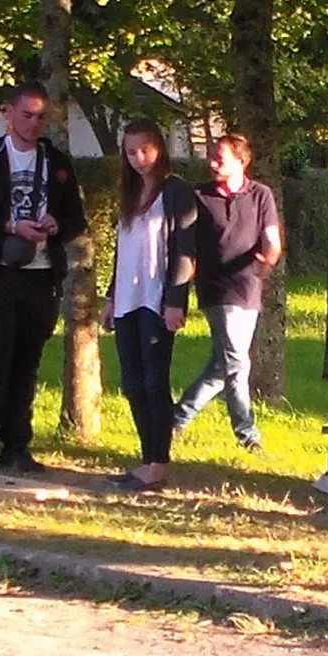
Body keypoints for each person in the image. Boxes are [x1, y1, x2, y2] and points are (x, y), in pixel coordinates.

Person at [0, 82, 86, 474]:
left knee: (27, 363)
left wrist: (56, 224)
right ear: (8, 113)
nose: (33, 123)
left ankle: (17, 445)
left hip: (41, 276)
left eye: (41, 117)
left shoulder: (56, 162)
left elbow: (77, 220)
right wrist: (9, 226)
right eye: (26, 115)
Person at [100, 119, 198, 492]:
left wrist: (175, 301)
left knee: (156, 382)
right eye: (131, 152)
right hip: (127, 300)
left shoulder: (176, 191)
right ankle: (146, 460)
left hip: (156, 301)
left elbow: (185, 250)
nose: (138, 158)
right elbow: (124, 250)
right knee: (133, 383)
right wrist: (111, 296)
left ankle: (158, 464)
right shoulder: (129, 193)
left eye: (145, 150)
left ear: (159, 148)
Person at [171, 133, 282, 453]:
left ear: (242, 161)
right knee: (237, 362)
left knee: (222, 366)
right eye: (211, 156)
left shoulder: (261, 194)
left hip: (248, 287)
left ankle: (175, 419)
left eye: (219, 158)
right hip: (216, 290)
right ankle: (247, 434)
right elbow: (184, 248)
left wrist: (268, 260)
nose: (212, 163)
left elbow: (272, 238)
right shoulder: (199, 196)